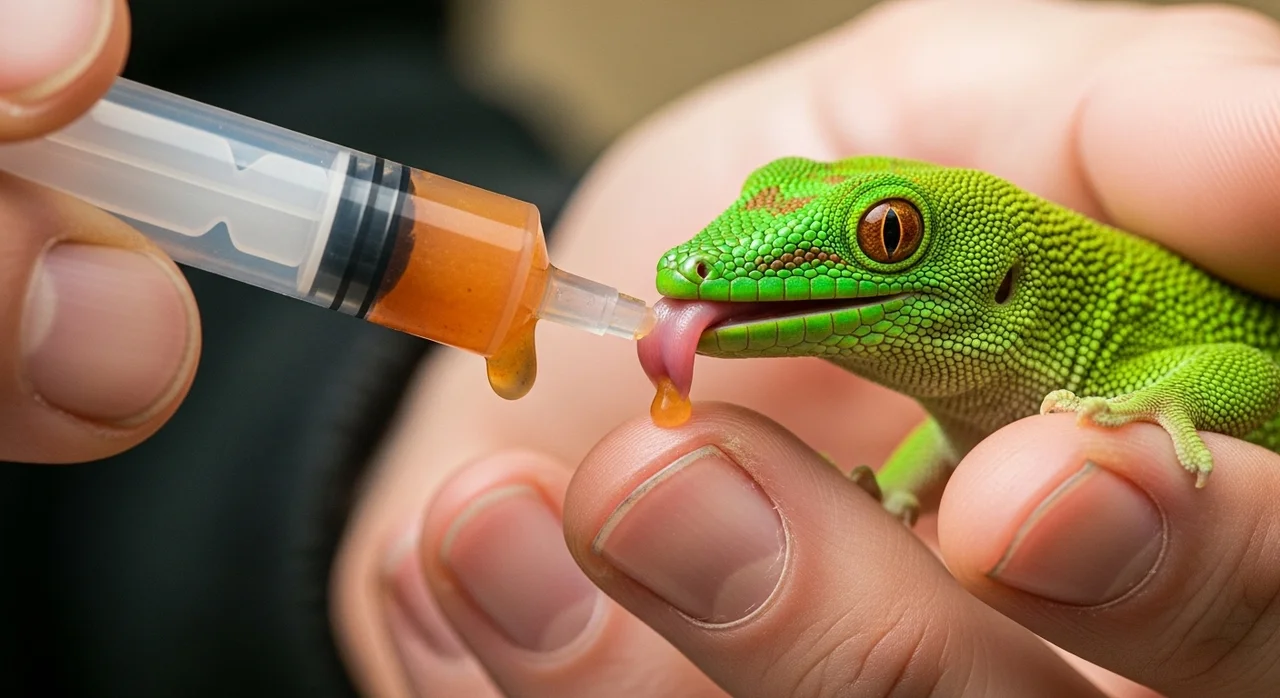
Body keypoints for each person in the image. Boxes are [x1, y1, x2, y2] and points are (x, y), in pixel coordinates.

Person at [5, 0, 1279, 696]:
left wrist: (1163, 395)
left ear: (1000, 276)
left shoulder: (1090, 338)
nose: (697, 270)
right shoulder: (978, 365)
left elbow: (1256, 379)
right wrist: (905, 487)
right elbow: (958, 422)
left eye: (884, 235)